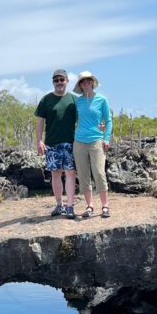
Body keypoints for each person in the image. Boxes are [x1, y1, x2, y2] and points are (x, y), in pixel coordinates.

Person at [35, 69, 77, 219]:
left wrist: (101, 127)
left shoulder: (74, 100)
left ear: (67, 81)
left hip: (70, 144)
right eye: (56, 80)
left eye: (62, 79)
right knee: (55, 174)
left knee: (71, 173)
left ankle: (70, 206)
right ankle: (59, 205)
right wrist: (39, 140)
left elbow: (84, 119)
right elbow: (40, 121)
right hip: (51, 144)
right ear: (53, 82)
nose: (59, 82)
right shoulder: (46, 100)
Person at [71, 71, 113, 218]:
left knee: (99, 173)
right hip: (79, 141)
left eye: (89, 80)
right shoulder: (78, 101)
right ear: (80, 85)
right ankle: (89, 206)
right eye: (83, 81)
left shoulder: (102, 100)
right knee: (83, 175)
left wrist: (106, 138)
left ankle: (105, 206)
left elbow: (108, 120)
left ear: (93, 83)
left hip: (96, 140)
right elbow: (71, 120)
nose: (86, 83)